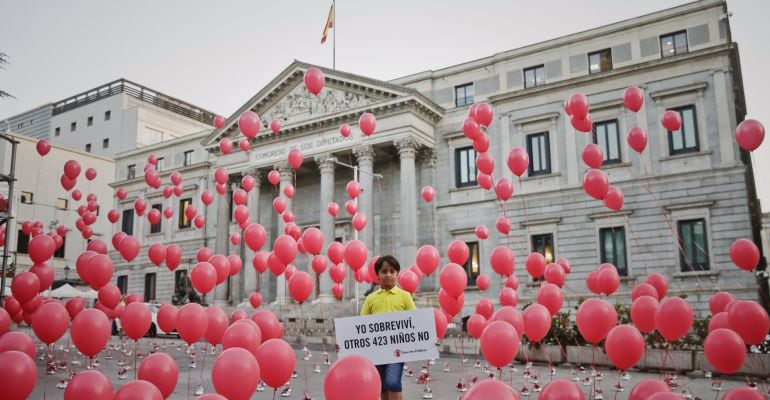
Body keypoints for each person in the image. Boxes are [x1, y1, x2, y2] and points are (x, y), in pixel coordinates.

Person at [361, 255, 416, 400]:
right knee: (381, 385)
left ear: (397, 274)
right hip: (376, 350)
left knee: (393, 382)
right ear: (378, 275)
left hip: (397, 350)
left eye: (392, 271)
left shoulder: (405, 296)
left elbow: (416, 323)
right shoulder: (371, 298)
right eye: (384, 271)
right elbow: (360, 326)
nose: (388, 275)